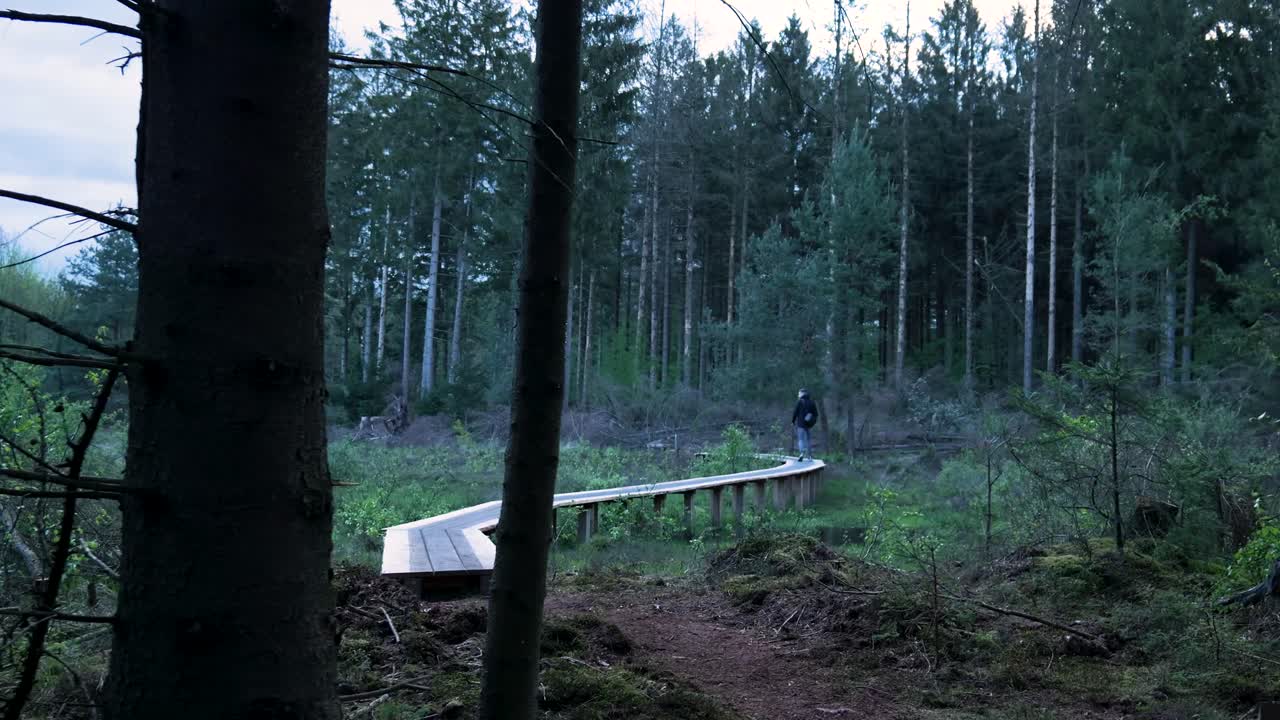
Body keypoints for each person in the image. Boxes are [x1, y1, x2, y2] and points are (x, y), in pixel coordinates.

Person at [791, 389, 818, 460]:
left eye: (799, 393)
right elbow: (816, 414)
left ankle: (801, 453)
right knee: (808, 440)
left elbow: (795, 412)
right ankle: (810, 456)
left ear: (802, 393)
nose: (798, 395)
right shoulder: (812, 402)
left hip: (800, 424)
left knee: (801, 439)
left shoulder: (800, 402)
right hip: (808, 424)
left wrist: (793, 421)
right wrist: (812, 421)